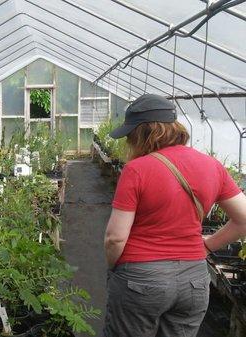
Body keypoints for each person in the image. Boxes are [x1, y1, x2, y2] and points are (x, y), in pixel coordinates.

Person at [102, 94, 246, 337]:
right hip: (194, 280)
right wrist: (208, 246)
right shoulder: (212, 165)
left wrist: (116, 268)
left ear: (144, 133)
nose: (128, 142)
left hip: (141, 278)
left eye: (130, 136)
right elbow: (243, 218)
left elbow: (115, 238)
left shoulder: (137, 169)